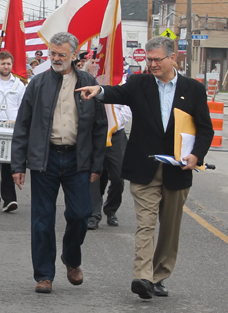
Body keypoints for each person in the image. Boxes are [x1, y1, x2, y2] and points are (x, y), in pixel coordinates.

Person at [77, 36, 214, 299]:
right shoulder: (139, 83)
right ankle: (142, 276)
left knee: (170, 227)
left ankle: (160, 275)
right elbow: (118, 92)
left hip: (178, 169)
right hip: (144, 166)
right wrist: (99, 90)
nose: (151, 64)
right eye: (148, 60)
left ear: (173, 58)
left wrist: (197, 155)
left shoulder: (193, 89)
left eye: (157, 59)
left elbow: (205, 128)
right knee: (146, 223)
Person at [11, 32, 107, 294]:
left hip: (78, 159)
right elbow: (23, 125)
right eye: (52, 53)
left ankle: (71, 258)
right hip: (46, 159)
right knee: (42, 219)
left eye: (61, 55)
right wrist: (18, 165)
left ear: (74, 55)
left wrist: (97, 165)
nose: (55, 58)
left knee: (80, 214)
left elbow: (100, 127)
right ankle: (44, 275)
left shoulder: (89, 83)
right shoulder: (39, 83)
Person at [0, 50, 25, 212]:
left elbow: (24, 106)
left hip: (12, 126)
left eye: (9, 63)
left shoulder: (19, 84)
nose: (6, 66)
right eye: (3, 63)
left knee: (9, 163)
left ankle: (9, 199)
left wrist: (18, 121)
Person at [88, 103, 132, 230]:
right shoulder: (92, 83)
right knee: (94, 175)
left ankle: (111, 209)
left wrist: (112, 123)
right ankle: (94, 215)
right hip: (94, 134)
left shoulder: (120, 83)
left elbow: (127, 108)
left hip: (116, 135)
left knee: (118, 177)